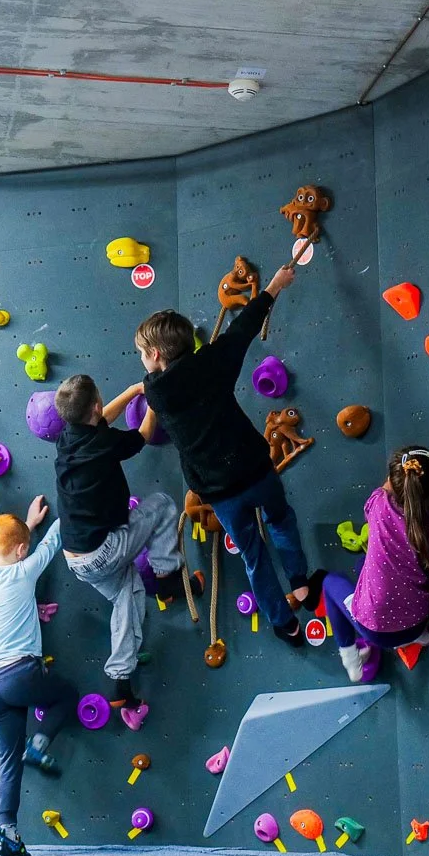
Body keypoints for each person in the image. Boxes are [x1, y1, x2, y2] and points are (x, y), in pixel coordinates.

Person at [137, 262, 311, 646]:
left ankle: (285, 623)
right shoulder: (212, 363)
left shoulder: (155, 392)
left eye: (142, 355)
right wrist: (275, 285)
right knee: (281, 519)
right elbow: (242, 329)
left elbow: (157, 381)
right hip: (256, 469)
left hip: (220, 492)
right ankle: (300, 582)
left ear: (155, 354)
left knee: (253, 554)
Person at [54, 374, 195, 722]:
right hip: (104, 549)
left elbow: (101, 418)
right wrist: (153, 402)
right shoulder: (105, 443)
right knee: (161, 505)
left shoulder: (67, 438)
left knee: (127, 596)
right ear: (96, 405)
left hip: (76, 558)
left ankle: (121, 682)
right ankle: (167, 579)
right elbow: (142, 435)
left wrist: (133, 391)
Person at [0, 497, 77, 856]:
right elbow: (54, 540)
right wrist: (69, 501)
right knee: (67, 695)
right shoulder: (25, 570)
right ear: (21, 551)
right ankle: (39, 746)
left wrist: (26, 527)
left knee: (7, 758)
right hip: (19, 673)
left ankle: (8, 835)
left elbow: (12, 549)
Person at [322, 446, 429, 682]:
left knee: (331, 582)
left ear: (391, 480)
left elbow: (383, 491)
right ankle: (416, 637)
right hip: (416, 622)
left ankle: (350, 657)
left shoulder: (378, 505)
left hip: (374, 632)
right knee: (362, 563)